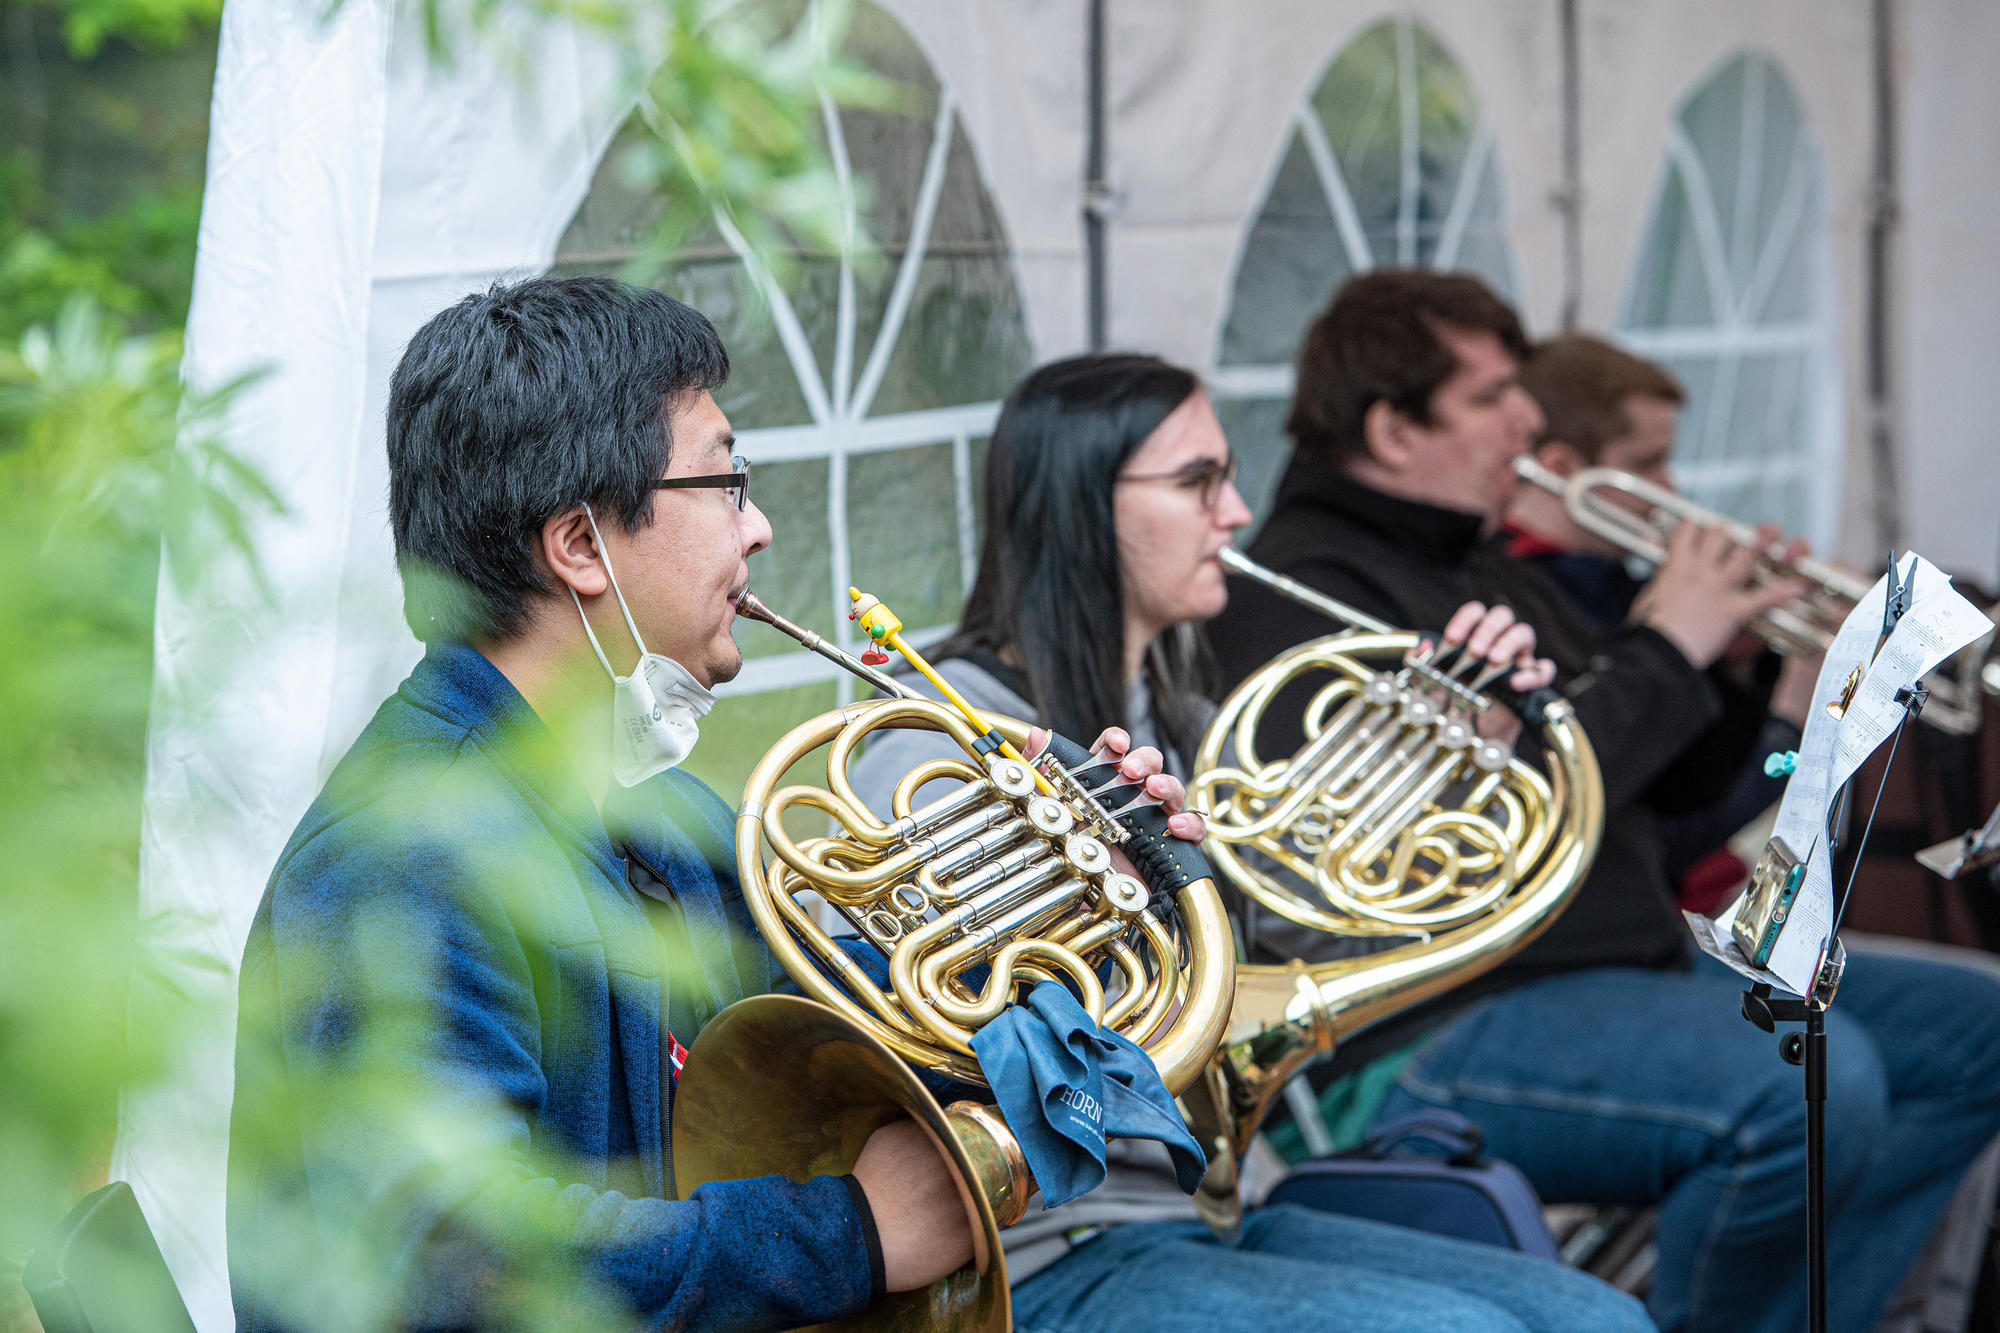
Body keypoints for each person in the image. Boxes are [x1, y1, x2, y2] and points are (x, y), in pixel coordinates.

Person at [223, 277, 1200, 1331]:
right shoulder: (400, 856)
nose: (761, 527)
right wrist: (853, 1234)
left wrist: (1077, 904)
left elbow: (850, 1037)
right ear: (582, 544)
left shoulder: (651, 807)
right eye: (726, 481)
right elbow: (461, 1274)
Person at [1207, 269, 2000, 1333]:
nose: (1524, 419)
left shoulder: (1481, 565)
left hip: (1613, 961)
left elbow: (1657, 815)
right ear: (1392, 429)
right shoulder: (1303, 594)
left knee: (1977, 1031)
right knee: (1812, 1083)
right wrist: (1666, 643)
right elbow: (1489, 832)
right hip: (1432, 1017)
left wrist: (1749, 684)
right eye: (1490, 396)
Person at [849, 353, 1651, 1333]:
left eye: (1225, 478)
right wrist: (1099, 897)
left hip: (1203, 1198)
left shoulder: (1187, 720)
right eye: (1196, 483)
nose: (1233, 513)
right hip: (1040, 1238)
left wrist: (1455, 750)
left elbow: (1318, 945)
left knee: (1598, 1320)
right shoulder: (946, 734)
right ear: (1080, 507)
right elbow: (932, 1013)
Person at [1509, 331, 1819, 905]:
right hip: (1658, 921)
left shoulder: (1618, 581)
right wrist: (1799, 711)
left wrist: (1738, 666)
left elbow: (1699, 780)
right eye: (1647, 464)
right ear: (1560, 467)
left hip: (1710, 907)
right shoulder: (1528, 604)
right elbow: (1675, 834)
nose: (1670, 490)